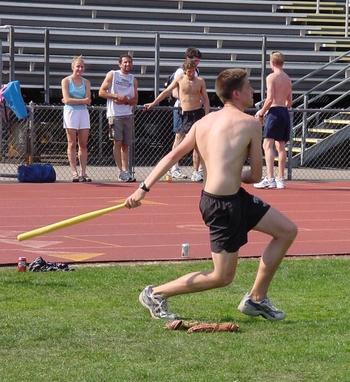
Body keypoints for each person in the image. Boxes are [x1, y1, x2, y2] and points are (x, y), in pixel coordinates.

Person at [125, 68, 297, 321]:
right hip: (221, 206)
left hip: (232, 198)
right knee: (222, 277)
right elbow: (257, 177)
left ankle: (256, 299)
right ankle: (155, 293)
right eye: (249, 87)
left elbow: (172, 156)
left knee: (286, 230)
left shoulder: (202, 123)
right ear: (237, 93)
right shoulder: (250, 124)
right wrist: (234, 172)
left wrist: (143, 189)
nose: (253, 91)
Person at [145, 58, 210, 182]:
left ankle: (196, 171)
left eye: (192, 71)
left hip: (197, 112)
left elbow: (206, 99)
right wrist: (153, 103)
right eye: (188, 71)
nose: (191, 74)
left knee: (197, 144)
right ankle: (174, 167)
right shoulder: (180, 79)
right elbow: (167, 91)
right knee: (181, 140)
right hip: (185, 113)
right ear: (185, 71)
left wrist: (206, 115)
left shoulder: (200, 81)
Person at [254, 51, 292, 190]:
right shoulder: (287, 78)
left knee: (267, 144)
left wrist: (262, 112)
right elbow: (289, 102)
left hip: (275, 111)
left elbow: (269, 99)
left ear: (271, 62)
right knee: (281, 146)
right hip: (284, 112)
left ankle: (270, 178)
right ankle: (280, 178)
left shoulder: (271, 77)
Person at [99, 54, 138, 182]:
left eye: (130, 62)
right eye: (125, 62)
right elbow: (102, 92)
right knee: (117, 142)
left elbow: (135, 100)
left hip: (128, 115)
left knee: (126, 144)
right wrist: (116, 96)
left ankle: (126, 170)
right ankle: (120, 171)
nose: (127, 64)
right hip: (115, 115)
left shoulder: (133, 79)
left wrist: (126, 101)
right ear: (120, 63)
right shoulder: (113, 74)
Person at [169, 47, 203, 181]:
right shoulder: (180, 71)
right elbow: (173, 91)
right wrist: (182, 101)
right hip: (181, 109)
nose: (197, 63)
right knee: (179, 137)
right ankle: (174, 168)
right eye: (195, 60)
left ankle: (197, 169)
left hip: (194, 109)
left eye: (198, 61)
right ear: (188, 59)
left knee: (194, 138)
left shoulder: (196, 71)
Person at [61, 55, 92, 182]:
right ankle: (74, 172)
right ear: (73, 67)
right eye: (78, 66)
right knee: (72, 143)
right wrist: (81, 100)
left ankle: (83, 172)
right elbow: (66, 99)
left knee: (83, 144)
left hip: (83, 113)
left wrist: (74, 101)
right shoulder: (66, 81)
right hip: (70, 113)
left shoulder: (86, 82)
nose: (80, 69)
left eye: (82, 66)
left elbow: (88, 100)